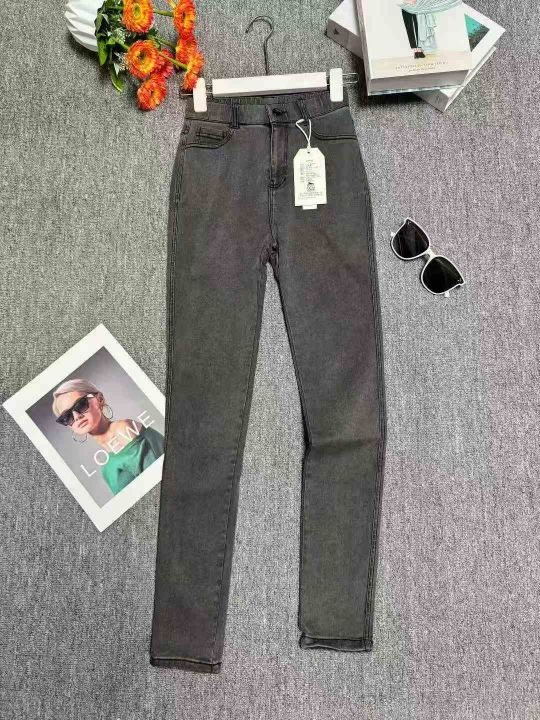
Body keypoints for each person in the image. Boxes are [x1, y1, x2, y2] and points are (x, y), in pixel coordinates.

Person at [52, 378, 164, 496]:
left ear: (99, 399)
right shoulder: (105, 469)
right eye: (67, 416)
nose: (76, 417)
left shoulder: (123, 429)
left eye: (80, 405)